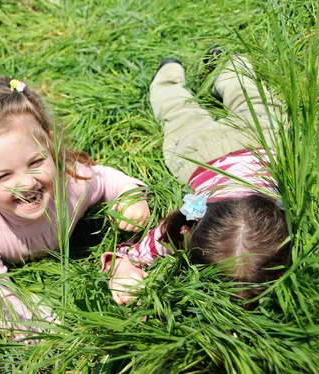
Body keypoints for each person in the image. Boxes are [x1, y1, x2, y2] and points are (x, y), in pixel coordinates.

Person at [0, 77, 151, 336]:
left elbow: (107, 179)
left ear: (50, 145)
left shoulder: (70, 182)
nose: (25, 183)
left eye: (36, 162)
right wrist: (26, 322)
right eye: (3, 176)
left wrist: (131, 197)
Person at [103, 54, 290, 305]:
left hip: (258, 141)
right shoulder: (187, 223)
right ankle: (175, 72)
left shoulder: (283, 211)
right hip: (200, 154)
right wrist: (122, 268)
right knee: (178, 111)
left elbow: (129, 255)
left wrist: (122, 268)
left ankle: (215, 66)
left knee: (250, 98)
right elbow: (132, 253)